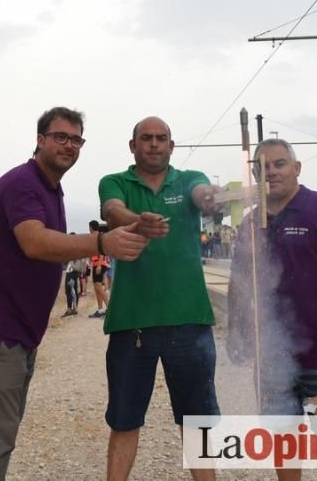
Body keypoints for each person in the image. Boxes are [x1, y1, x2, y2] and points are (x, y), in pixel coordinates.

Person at [0, 106, 148, 481]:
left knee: (2, 434)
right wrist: (100, 242)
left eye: (76, 139)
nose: (69, 145)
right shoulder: (22, 184)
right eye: (60, 137)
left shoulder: (50, 188)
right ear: (40, 140)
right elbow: (34, 242)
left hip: (19, 333)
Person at [227, 138, 317, 481]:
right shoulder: (250, 222)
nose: (271, 172)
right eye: (262, 167)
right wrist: (238, 332)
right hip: (271, 355)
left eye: (279, 164)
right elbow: (241, 284)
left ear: (297, 168)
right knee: (282, 437)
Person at [98, 116, 223, 481]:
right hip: (130, 323)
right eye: (146, 138)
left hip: (190, 321)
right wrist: (138, 220)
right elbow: (112, 211)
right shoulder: (115, 182)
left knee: (196, 422)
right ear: (133, 145)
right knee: (124, 420)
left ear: (172, 145)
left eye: (161, 138)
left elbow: (201, 194)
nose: (154, 144)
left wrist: (209, 197)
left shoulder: (188, 180)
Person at [88, 221, 111, 318]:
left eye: (89, 227)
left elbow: (101, 251)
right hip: (97, 264)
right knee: (97, 288)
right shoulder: (96, 236)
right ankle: (100, 310)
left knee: (98, 287)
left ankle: (110, 309)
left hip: (100, 264)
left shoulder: (98, 237)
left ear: (91, 227)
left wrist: (98, 265)